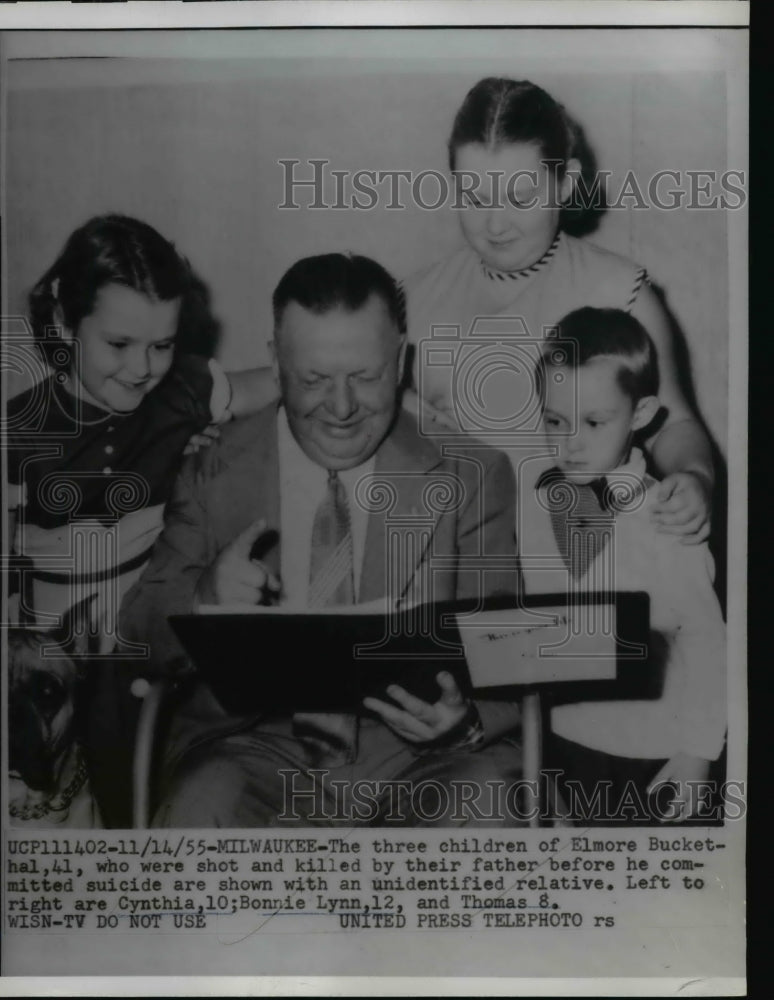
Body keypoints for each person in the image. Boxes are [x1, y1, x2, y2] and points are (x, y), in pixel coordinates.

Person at [120, 252, 524, 828]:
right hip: (253, 750)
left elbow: (512, 654)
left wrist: (467, 722)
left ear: (401, 360)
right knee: (198, 816)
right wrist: (204, 598)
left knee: (491, 809)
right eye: (313, 379)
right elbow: (138, 630)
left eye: (365, 376)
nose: (341, 409)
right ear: (276, 364)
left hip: (426, 757)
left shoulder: (471, 474)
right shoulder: (214, 470)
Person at [5, 214, 281, 825]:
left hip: (145, 677)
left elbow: (294, 376)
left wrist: (400, 393)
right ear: (62, 323)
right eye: (118, 344)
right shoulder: (17, 436)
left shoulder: (181, 391)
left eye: (162, 345)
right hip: (47, 698)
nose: (141, 368)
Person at [403, 76, 715, 544]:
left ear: (566, 182)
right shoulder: (410, 300)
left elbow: (675, 423)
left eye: (521, 197)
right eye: (474, 196)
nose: (494, 223)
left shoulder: (622, 292)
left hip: (589, 566)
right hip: (462, 570)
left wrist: (695, 479)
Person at [519, 307, 726, 825]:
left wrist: (698, 752)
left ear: (640, 413)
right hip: (563, 744)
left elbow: (704, 637)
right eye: (554, 421)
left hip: (653, 754)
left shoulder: (666, 514)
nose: (570, 442)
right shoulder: (536, 507)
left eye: (593, 422)